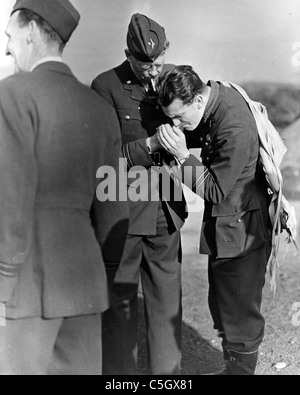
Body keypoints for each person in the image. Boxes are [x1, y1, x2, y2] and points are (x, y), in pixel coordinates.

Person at [0, 0, 128, 375]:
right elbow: (114, 208)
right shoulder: (100, 108)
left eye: (10, 37)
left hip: (24, 288)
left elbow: (11, 199)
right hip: (85, 284)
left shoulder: (13, 94)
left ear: (32, 31)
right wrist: (101, 274)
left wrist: (3, 282)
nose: (7, 48)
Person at [155, 66, 272, 375]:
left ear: (196, 100)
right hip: (229, 226)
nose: (176, 125)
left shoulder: (233, 125)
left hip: (242, 231)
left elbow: (216, 190)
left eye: (179, 118)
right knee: (222, 303)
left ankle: (240, 371)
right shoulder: (212, 103)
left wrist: (181, 157)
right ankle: (232, 367)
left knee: (239, 309)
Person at [92, 14, 187, 375]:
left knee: (167, 307)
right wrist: (147, 145)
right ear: (127, 55)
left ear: (167, 52)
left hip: (166, 212)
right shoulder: (105, 86)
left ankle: (168, 378)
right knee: (120, 308)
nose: (152, 73)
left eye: (158, 63)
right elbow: (102, 159)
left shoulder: (175, 78)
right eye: (144, 64)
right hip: (125, 216)